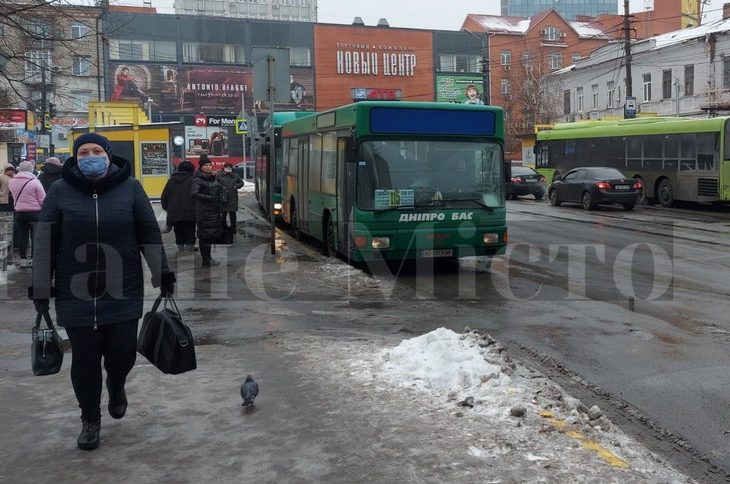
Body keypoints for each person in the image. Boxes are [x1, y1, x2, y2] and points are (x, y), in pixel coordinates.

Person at [30, 132, 175, 451]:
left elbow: (148, 232)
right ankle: (90, 420)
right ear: (75, 157)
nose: (90, 156)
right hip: (75, 291)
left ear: (108, 155)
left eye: (96, 151)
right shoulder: (60, 190)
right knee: (84, 359)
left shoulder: (130, 188)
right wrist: (41, 286)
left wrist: (161, 271)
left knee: (122, 353)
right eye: (83, 152)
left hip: (123, 288)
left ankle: (117, 384)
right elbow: (44, 240)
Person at [9, 161, 45, 268]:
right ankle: (34, 259)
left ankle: (23, 259)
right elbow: (43, 199)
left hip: (19, 213)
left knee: (22, 237)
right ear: (31, 169)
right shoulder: (35, 182)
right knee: (35, 237)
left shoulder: (12, 182)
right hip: (35, 213)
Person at [191, 155, 223, 266]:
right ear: (201, 167)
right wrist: (209, 198)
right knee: (205, 236)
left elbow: (217, 189)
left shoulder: (212, 177)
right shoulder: (198, 179)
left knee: (210, 236)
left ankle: (208, 258)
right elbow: (194, 193)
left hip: (213, 211)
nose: (209, 167)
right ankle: (206, 259)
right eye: (206, 165)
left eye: (210, 165)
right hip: (204, 212)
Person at [161, 161, 197, 252]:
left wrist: (167, 208)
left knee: (178, 230)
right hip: (190, 211)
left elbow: (164, 196)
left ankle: (180, 248)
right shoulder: (193, 180)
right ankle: (189, 248)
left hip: (174, 211)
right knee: (190, 230)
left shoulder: (171, 180)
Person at [216, 162, 244, 231]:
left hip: (233, 197)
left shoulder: (235, 175)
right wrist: (221, 188)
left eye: (229, 167)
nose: (228, 169)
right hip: (223, 197)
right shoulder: (219, 175)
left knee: (232, 214)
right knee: (223, 214)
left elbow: (241, 183)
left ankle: (233, 228)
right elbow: (215, 183)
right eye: (227, 167)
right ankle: (224, 227)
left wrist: (236, 186)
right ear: (224, 168)